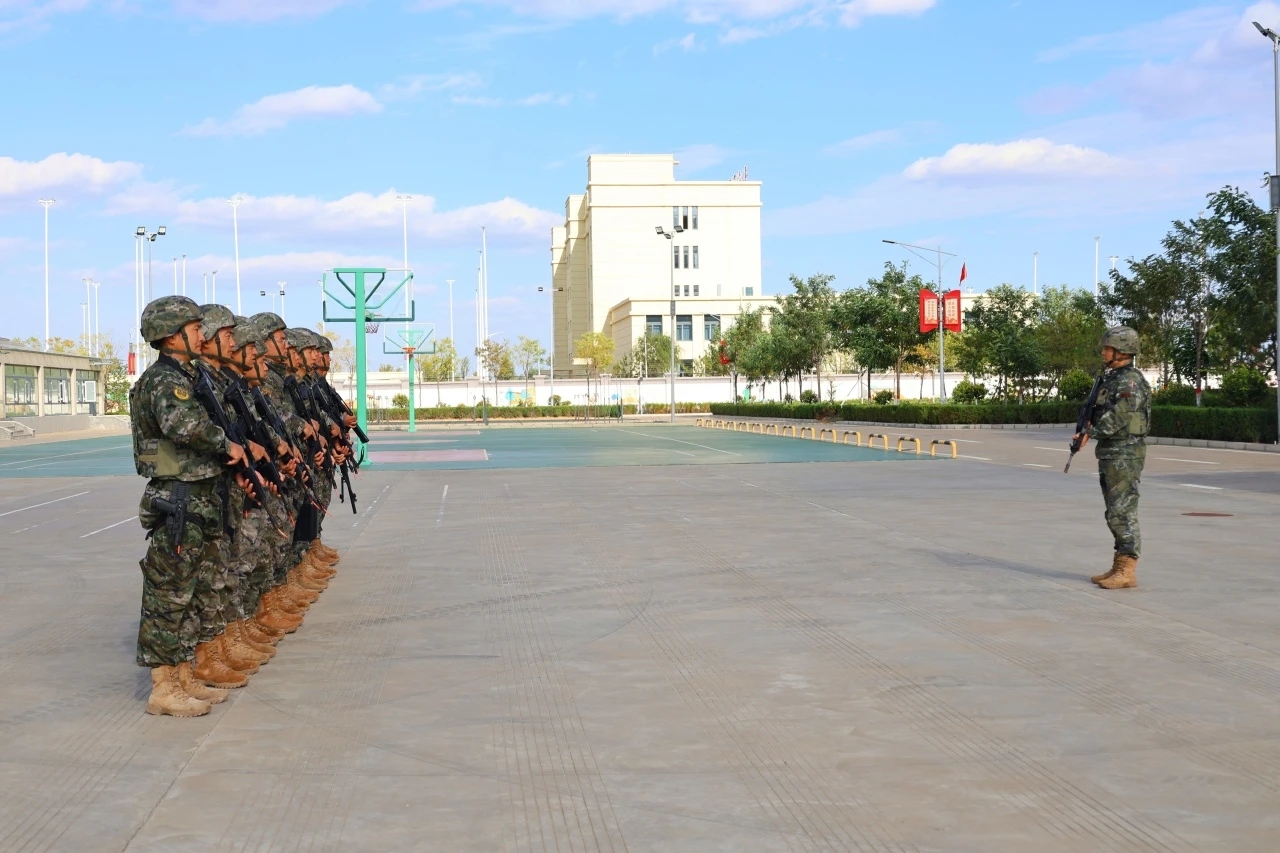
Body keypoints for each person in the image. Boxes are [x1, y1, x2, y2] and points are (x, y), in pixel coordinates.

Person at [129, 296, 251, 716]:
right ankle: (163, 688)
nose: (202, 334)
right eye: (195, 327)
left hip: (198, 496)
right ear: (170, 335)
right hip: (179, 498)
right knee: (170, 594)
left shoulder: (187, 375)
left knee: (192, 591)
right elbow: (183, 425)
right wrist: (226, 443)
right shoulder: (164, 381)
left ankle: (182, 676)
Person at [1074, 326, 1151, 590]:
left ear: (1122, 351)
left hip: (1125, 454)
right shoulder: (1112, 378)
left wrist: (1091, 432)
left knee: (1122, 510)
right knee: (1114, 511)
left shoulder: (1130, 380)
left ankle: (1127, 569)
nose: (1103, 352)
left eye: (1108, 348)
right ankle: (1119, 564)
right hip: (1111, 452)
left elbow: (1120, 415)